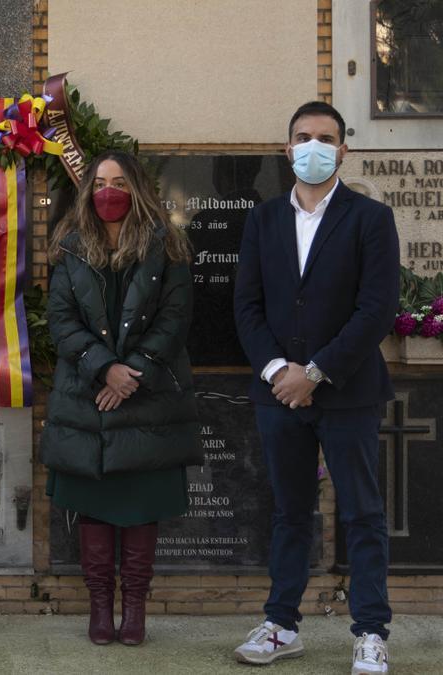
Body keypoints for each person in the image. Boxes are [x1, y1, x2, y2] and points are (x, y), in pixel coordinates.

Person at [232, 101, 398, 675]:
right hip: (279, 396)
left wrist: (317, 372)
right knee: (289, 512)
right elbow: (247, 306)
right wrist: (280, 371)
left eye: (325, 138)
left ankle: (372, 632)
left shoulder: (370, 220)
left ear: (344, 149)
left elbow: (376, 309)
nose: (313, 147)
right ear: (287, 149)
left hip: (347, 393)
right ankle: (281, 624)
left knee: (362, 513)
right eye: (302, 137)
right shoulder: (264, 220)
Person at [39, 150, 200, 647]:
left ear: (137, 190)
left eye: (120, 182)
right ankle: (98, 608)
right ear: (88, 190)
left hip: (147, 398)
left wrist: (134, 373)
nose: (109, 191)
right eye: (101, 182)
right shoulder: (69, 247)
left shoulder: (166, 246)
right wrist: (104, 369)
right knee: (93, 509)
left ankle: (134, 608)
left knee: (140, 507)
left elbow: (176, 318)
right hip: (88, 398)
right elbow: (61, 322)